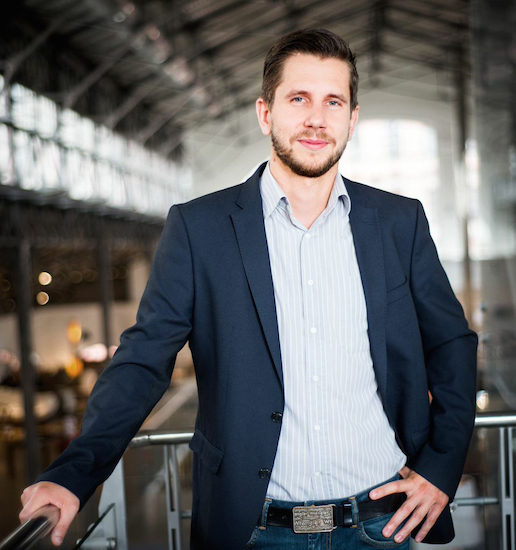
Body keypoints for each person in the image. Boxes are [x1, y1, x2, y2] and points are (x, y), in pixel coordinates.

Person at [19, 28, 477, 550]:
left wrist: (441, 467)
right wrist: (73, 473)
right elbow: (143, 361)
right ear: (265, 113)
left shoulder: (399, 222)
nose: (316, 118)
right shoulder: (199, 229)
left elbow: (452, 343)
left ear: (352, 119)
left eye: (333, 102)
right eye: (298, 99)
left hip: (380, 524)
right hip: (254, 530)